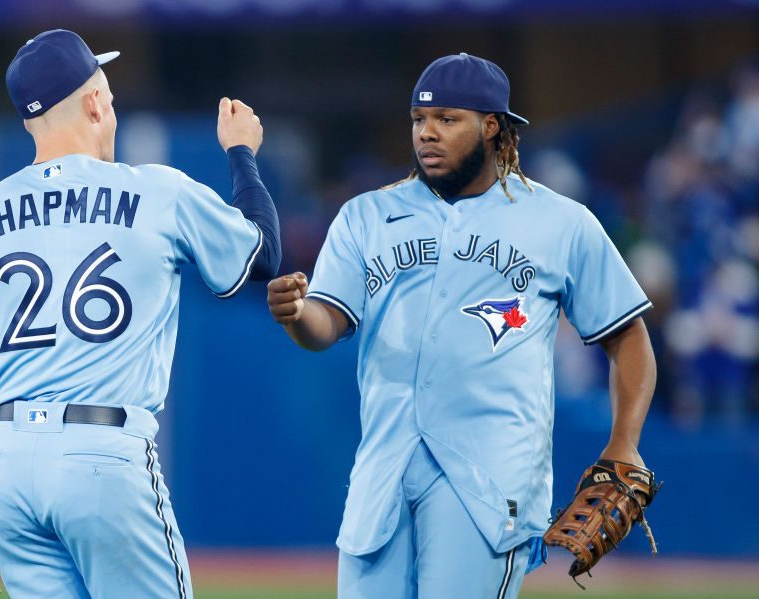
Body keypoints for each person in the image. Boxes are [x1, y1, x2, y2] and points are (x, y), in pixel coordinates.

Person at [0, 29, 280, 599]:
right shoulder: (155, 191)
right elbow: (262, 255)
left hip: (5, 469)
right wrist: (242, 154)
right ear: (95, 102)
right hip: (103, 454)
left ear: (31, 122)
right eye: (108, 92)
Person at [266, 53, 656, 598]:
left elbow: (629, 338)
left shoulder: (560, 222)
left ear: (492, 126)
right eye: (419, 120)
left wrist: (624, 443)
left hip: (488, 479)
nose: (426, 133)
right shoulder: (366, 216)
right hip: (385, 470)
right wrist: (296, 314)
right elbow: (325, 324)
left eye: (447, 119)